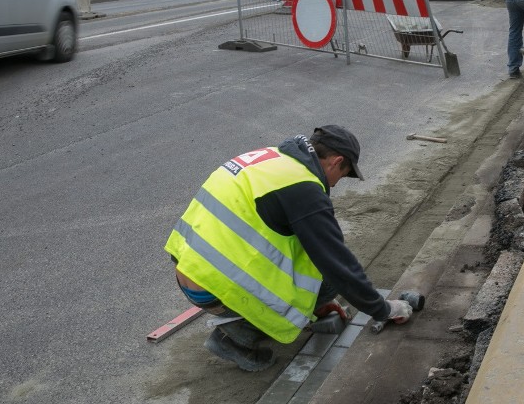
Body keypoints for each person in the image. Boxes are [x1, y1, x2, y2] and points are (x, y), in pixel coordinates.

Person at [164, 125, 414, 371]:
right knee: (323, 275)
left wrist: (318, 304)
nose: (337, 184)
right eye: (344, 174)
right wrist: (382, 309)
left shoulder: (273, 159)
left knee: (311, 264)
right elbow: (338, 264)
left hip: (189, 269)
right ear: (336, 162)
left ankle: (305, 310)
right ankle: (234, 338)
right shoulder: (303, 188)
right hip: (214, 287)